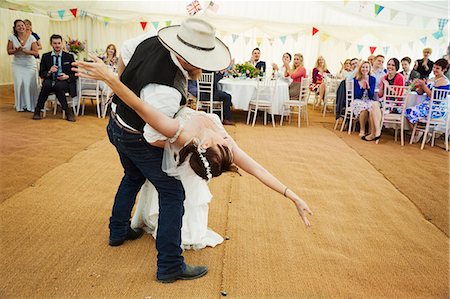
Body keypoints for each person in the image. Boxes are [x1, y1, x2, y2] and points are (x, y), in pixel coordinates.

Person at [73, 55, 313, 250]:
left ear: (207, 146)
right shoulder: (216, 141)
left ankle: (149, 242)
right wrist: (293, 196)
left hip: (146, 137)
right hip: (147, 140)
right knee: (147, 183)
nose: (229, 142)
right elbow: (258, 170)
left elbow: (140, 105)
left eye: (225, 145)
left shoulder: (183, 133)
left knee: (148, 183)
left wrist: (111, 78)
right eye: (226, 145)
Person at [76, 18, 232, 284]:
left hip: (116, 122)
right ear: (189, 58)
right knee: (173, 193)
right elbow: (154, 136)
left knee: (133, 176)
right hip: (137, 136)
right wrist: (192, 139)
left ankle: (118, 230)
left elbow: (125, 50)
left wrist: (123, 90)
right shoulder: (166, 89)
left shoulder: (151, 39)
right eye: (202, 61)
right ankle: (170, 265)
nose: (205, 67)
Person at [32, 34, 77, 121]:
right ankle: (38, 111)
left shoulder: (69, 57)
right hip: (50, 79)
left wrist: (67, 76)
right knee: (46, 85)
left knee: (58, 86)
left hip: (64, 82)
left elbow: (75, 73)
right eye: (55, 43)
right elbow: (41, 73)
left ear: (62, 44)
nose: (57, 45)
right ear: (51, 44)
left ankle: (67, 112)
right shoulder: (46, 56)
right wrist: (49, 71)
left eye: (59, 43)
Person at [405, 58, 450, 142]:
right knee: (407, 111)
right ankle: (419, 132)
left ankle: (420, 132)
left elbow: (434, 97)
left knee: (410, 112)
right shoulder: (431, 79)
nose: (434, 70)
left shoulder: (444, 81)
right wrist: (419, 86)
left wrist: (424, 86)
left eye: (437, 68)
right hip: (427, 105)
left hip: (436, 108)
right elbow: (420, 93)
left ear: (444, 70)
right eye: (434, 67)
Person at [7, 19, 39, 112]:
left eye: (22, 25)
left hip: (29, 65)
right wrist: (16, 50)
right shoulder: (11, 37)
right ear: (15, 28)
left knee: (28, 84)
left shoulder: (32, 38)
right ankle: (21, 105)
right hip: (17, 64)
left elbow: (36, 53)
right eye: (18, 26)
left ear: (25, 26)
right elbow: (9, 51)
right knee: (19, 84)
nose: (21, 27)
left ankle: (30, 105)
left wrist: (26, 51)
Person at [349, 61, 376, 138]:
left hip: (368, 99)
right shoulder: (356, 79)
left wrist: (368, 88)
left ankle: (371, 131)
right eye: (363, 67)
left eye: (367, 67)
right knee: (364, 108)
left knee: (372, 108)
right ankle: (362, 130)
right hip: (358, 100)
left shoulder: (372, 79)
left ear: (369, 68)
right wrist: (362, 89)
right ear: (360, 69)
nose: (365, 69)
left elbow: (371, 96)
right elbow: (357, 95)